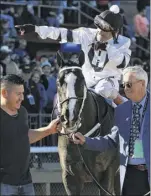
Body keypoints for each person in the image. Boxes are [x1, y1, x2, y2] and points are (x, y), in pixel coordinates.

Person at [15, 5, 131, 105]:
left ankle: (125, 106)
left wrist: (107, 48)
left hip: (108, 81)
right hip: (86, 80)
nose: (100, 31)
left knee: (103, 89)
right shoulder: (86, 34)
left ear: (115, 32)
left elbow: (123, 62)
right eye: (99, 26)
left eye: (105, 29)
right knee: (67, 91)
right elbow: (60, 33)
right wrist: (36, 29)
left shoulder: (124, 42)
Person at [71, 66, 150, 195]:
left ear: (142, 84)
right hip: (129, 175)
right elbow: (112, 140)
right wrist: (86, 140)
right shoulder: (122, 110)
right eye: (123, 85)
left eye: (129, 85)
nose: (125, 89)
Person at [0, 74, 59, 196]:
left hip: (26, 183)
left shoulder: (22, 112)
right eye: (18, 94)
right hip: (3, 184)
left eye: (23, 93)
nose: (22, 98)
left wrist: (49, 130)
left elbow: (24, 137)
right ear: (4, 93)